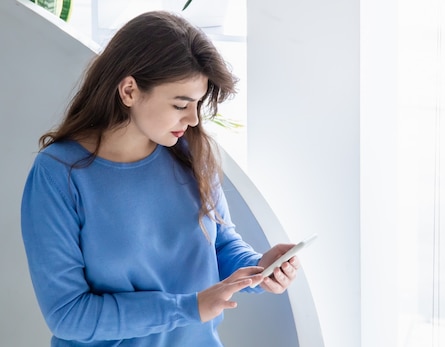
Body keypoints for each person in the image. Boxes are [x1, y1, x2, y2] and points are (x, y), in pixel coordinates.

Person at [20, 11, 300, 347]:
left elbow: (220, 243)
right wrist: (188, 308)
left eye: (197, 103)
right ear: (129, 91)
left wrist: (260, 269)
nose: (194, 118)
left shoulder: (193, 155)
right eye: (181, 103)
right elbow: (68, 315)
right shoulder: (58, 175)